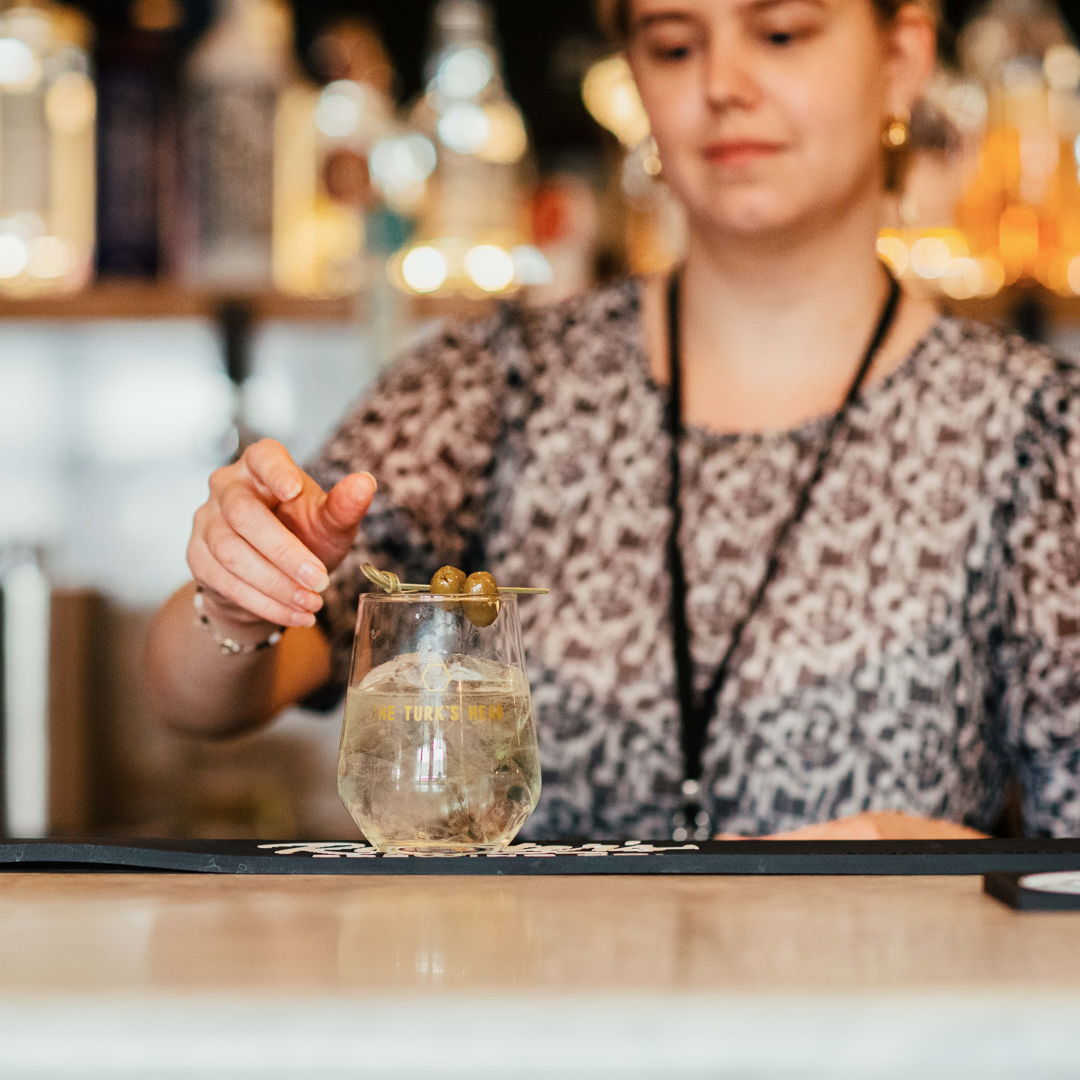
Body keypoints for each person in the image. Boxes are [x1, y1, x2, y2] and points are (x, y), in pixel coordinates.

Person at [147, 0, 1080, 841]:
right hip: (545, 1013)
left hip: (881, 1023)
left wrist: (940, 865)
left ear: (903, 55)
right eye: (674, 45)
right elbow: (200, 695)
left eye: (782, 34)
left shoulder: (1037, 429)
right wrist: (235, 602)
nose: (722, 85)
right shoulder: (500, 380)